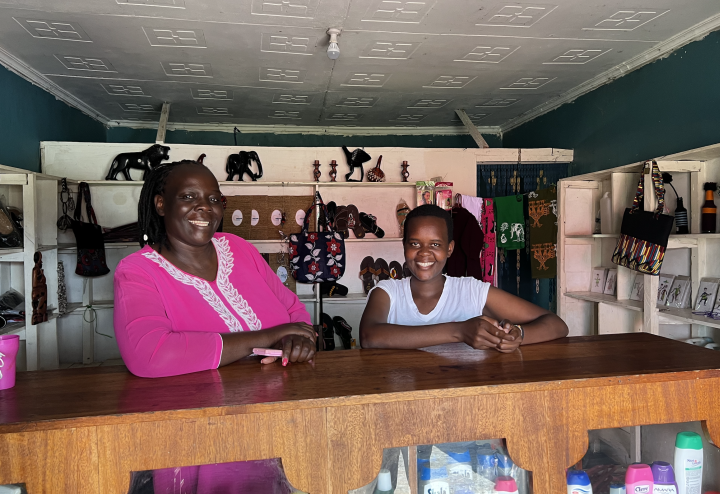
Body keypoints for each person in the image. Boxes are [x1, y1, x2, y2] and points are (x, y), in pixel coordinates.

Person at [113, 160, 316, 379]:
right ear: (161, 204)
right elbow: (150, 356)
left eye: (214, 199)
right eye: (188, 197)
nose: (206, 207)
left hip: (286, 398)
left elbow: (295, 313)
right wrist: (271, 336)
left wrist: (296, 342)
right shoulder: (137, 271)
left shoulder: (239, 248)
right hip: (199, 407)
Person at [360, 204, 568, 351]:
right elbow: (369, 337)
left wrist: (518, 335)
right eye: (415, 244)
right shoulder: (387, 292)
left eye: (435, 244)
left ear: (449, 249)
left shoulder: (472, 292)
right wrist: (460, 330)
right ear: (404, 247)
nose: (424, 253)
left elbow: (557, 325)